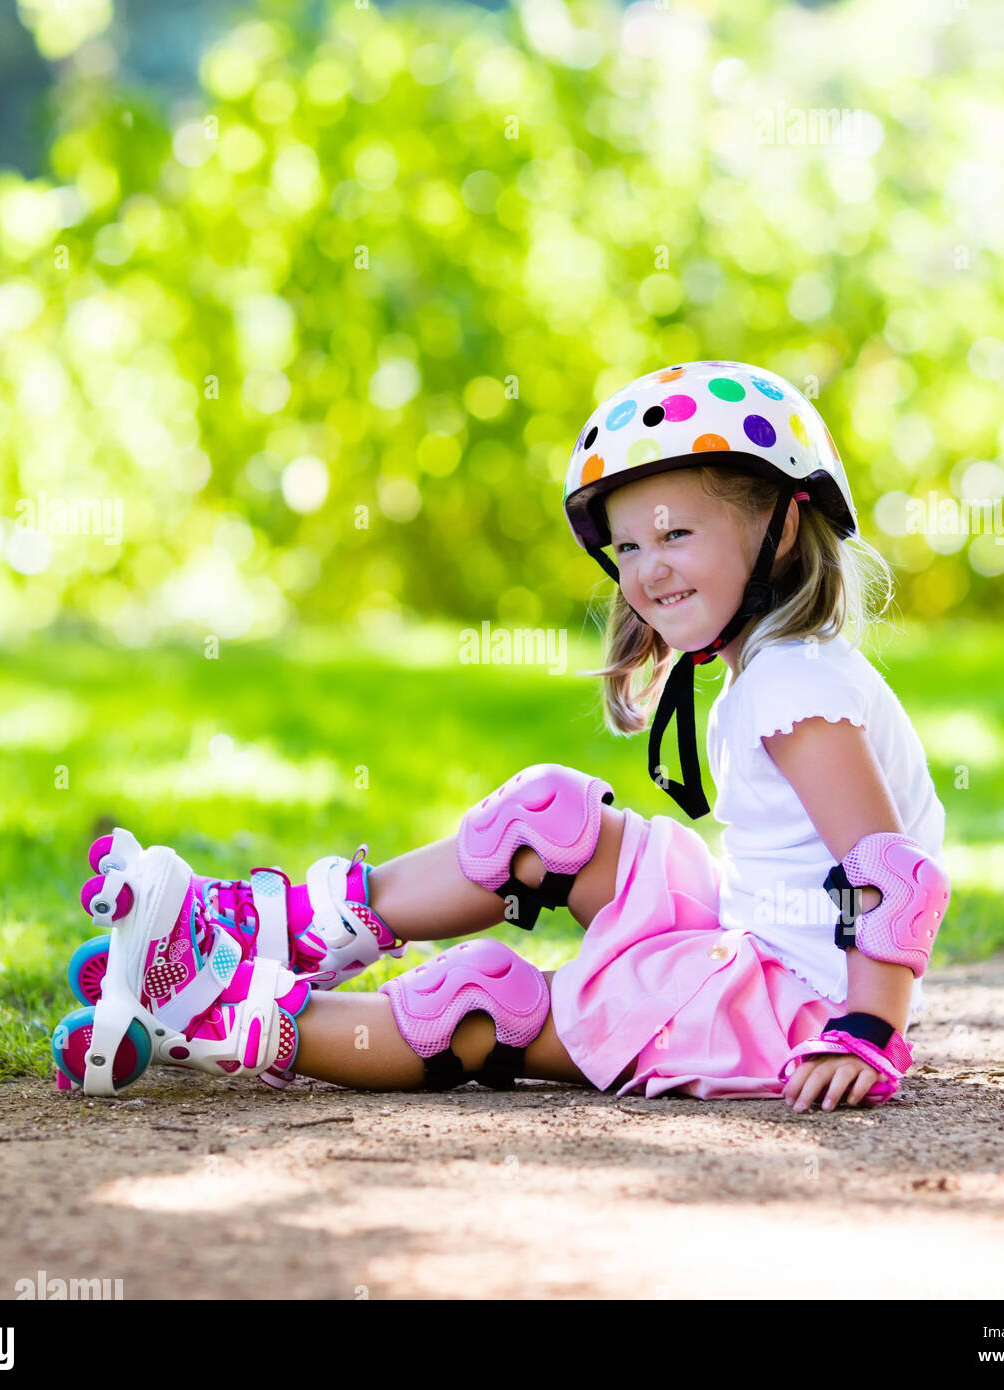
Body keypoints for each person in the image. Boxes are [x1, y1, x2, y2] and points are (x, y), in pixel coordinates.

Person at [51, 360, 950, 1114]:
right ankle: (280, 928)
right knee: (548, 817)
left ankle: (223, 1015)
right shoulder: (780, 669)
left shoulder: (794, 686)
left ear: (785, 527)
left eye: (677, 532)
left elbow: (892, 874)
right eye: (628, 548)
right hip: (750, 937)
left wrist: (866, 1033)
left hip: (791, 1008)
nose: (648, 569)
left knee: (481, 997)